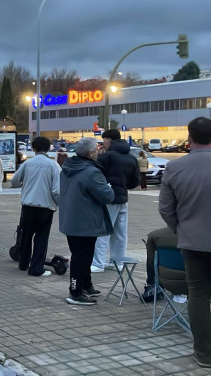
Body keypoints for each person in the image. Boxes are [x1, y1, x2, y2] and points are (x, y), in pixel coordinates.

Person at [159, 116, 211, 368]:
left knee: (198, 293)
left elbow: (166, 209)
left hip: (192, 242)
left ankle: (204, 353)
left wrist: (181, 230)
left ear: (189, 138)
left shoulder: (175, 167)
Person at [59, 137, 115, 305]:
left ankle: (85, 284)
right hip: (85, 221)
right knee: (81, 256)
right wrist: (108, 187)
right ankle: (75, 292)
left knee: (83, 254)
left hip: (71, 218)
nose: (98, 152)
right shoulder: (91, 172)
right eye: (96, 150)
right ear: (91, 153)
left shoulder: (68, 167)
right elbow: (108, 196)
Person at [10, 136, 61, 277]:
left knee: (26, 236)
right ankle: (36, 268)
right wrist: (58, 203)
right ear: (49, 148)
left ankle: (23, 263)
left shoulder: (27, 163)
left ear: (34, 148)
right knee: (41, 238)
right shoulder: (53, 165)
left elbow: (14, 181)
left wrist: (23, 184)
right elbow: (57, 190)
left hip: (28, 206)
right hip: (46, 207)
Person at [91, 129, 140, 273]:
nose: (103, 143)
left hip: (108, 198)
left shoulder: (107, 156)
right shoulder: (131, 157)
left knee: (103, 230)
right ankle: (118, 262)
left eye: (104, 139)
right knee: (120, 232)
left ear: (109, 140)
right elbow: (135, 181)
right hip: (123, 197)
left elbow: (95, 174)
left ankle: (98, 263)